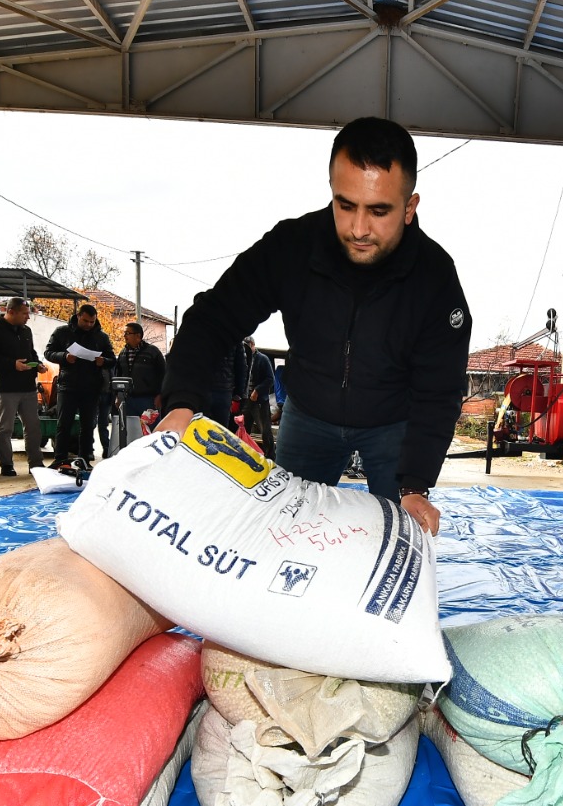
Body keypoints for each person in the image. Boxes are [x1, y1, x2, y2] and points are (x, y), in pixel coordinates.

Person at [159, 117, 471, 535]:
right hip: (309, 416)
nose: (359, 229)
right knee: (281, 533)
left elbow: (440, 390)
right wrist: (181, 403)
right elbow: (213, 318)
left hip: (392, 424)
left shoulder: (435, 278)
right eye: (346, 205)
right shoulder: (292, 247)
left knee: (400, 531)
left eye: (379, 211)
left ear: (409, 207)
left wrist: (416, 483)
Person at [0, 296, 47, 476]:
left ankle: (36, 463)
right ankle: (6, 463)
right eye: (24, 314)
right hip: (5, 387)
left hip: (28, 386)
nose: (28, 317)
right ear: (10, 312)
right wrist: (11, 364)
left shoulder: (26, 331)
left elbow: (31, 353)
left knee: (33, 426)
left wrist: (37, 364)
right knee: (5, 427)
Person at [43, 303, 115, 463]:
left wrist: (103, 361)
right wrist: (64, 357)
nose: (89, 325)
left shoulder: (101, 337)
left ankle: (85, 458)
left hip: (92, 387)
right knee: (64, 424)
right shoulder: (62, 332)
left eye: (92, 322)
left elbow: (112, 359)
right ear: (78, 317)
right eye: (85, 321)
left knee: (88, 425)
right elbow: (48, 352)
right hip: (68, 385)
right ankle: (60, 459)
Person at [116, 322, 165, 447]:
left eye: (128, 333)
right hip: (128, 400)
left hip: (148, 400)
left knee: (152, 432)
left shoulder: (152, 352)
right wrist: (118, 395)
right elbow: (118, 375)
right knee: (131, 432)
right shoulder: (123, 353)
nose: (125, 336)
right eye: (124, 333)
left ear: (138, 336)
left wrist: (160, 395)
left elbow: (163, 374)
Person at [240, 336, 276, 458]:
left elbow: (270, 379)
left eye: (247, 346)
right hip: (246, 400)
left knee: (265, 431)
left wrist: (257, 390)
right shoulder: (243, 358)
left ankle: (270, 457)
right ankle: (245, 455)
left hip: (259, 401)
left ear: (253, 345)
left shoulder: (262, 359)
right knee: (243, 428)